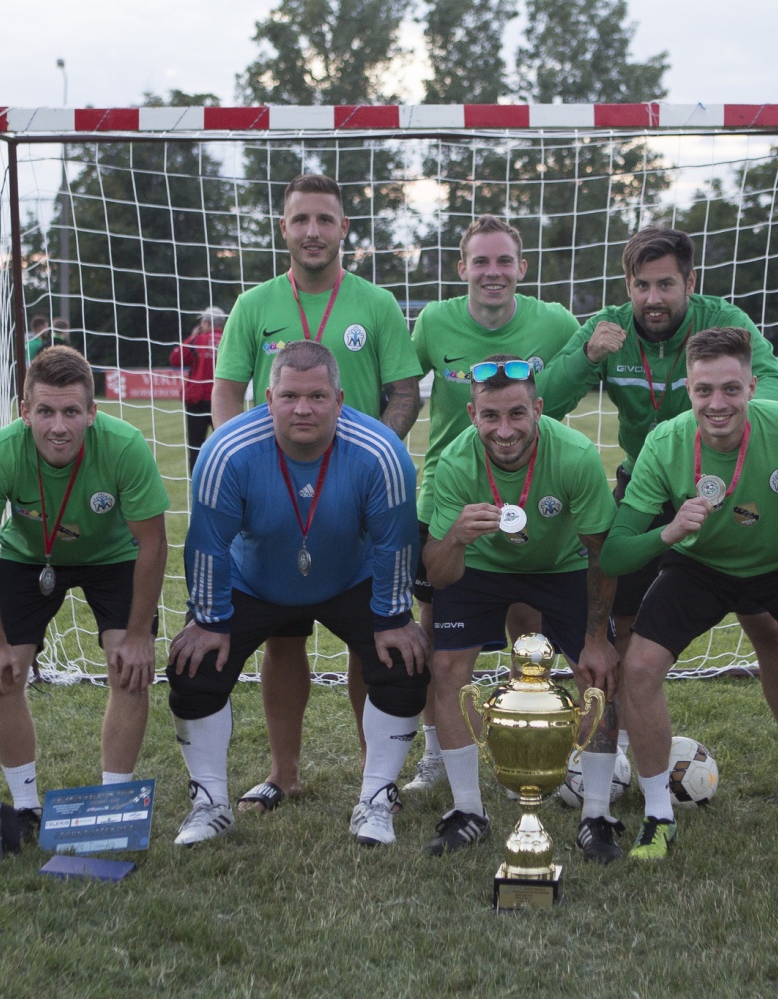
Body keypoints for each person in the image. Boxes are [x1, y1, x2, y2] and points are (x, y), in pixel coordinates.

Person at [537, 225, 778, 812]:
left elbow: (771, 385)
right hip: (646, 490)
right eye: (642, 285)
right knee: (619, 625)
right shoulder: (606, 329)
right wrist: (588, 358)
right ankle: (617, 757)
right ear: (627, 286)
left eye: (666, 284)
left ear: (690, 282)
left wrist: (722, 425)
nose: (653, 298)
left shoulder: (723, 322)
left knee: (765, 622)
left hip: (726, 486)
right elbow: (544, 401)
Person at [602, 326, 778, 862]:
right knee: (639, 668)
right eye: (704, 390)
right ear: (688, 389)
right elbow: (614, 554)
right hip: (700, 566)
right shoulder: (665, 442)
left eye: (731, 389)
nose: (717, 403)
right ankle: (658, 815)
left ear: (751, 386)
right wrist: (668, 533)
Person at [211, 173, 423, 812]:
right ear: (284, 228)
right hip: (273, 496)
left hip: (354, 498)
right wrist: (235, 466)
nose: (313, 231)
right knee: (282, 636)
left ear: (343, 229)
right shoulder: (253, 305)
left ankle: (371, 777)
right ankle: (285, 773)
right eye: (301, 219)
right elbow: (227, 392)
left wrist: (371, 463)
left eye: (325, 219)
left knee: (367, 637)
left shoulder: (376, 304)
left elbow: (404, 393)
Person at [169, 341, 427, 846]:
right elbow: (207, 544)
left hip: (348, 575)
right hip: (254, 579)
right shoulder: (227, 451)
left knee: (401, 662)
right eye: (289, 396)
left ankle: (376, 797)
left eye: (317, 396)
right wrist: (209, 620)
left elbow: (395, 544)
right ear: (268, 398)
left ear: (340, 399)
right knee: (193, 667)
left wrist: (393, 617)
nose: (302, 409)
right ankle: (210, 803)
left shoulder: (381, 452)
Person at [403, 215, 582, 795]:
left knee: (526, 625)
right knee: (438, 629)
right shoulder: (434, 322)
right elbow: (402, 387)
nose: (493, 272)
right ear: (462, 268)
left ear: (522, 268)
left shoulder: (555, 322)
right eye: (480, 260)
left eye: (504, 260)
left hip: (528, 489)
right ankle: (437, 754)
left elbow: (580, 369)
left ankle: (516, 740)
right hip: (448, 492)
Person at [0, 345, 169, 829]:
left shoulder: (125, 445)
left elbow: (153, 543)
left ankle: (114, 803)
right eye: (46, 412)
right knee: (2, 673)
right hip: (30, 556)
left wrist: (139, 635)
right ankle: (26, 806)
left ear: (92, 412)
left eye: (72, 412)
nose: (58, 426)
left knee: (129, 669)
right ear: (24, 411)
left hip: (113, 556)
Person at [421, 355, 624, 861]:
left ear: (538, 409)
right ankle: (468, 810)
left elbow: (601, 554)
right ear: (472, 415)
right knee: (445, 667)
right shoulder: (455, 462)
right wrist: (456, 537)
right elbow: (439, 575)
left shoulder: (575, 454)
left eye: (517, 414)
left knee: (597, 673)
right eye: (491, 416)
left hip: (562, 564)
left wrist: (597, 640)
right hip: (482, 564)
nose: (505, 430)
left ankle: (597, 816)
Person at [169, 306, 226, 472]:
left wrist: (193, 336)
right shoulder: (229, 339)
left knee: (195, 447)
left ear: (206, 322)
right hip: (223, 400)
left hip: (198, 400)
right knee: (226, 445)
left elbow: (175, 359)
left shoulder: (198, 340)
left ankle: (196, 481)